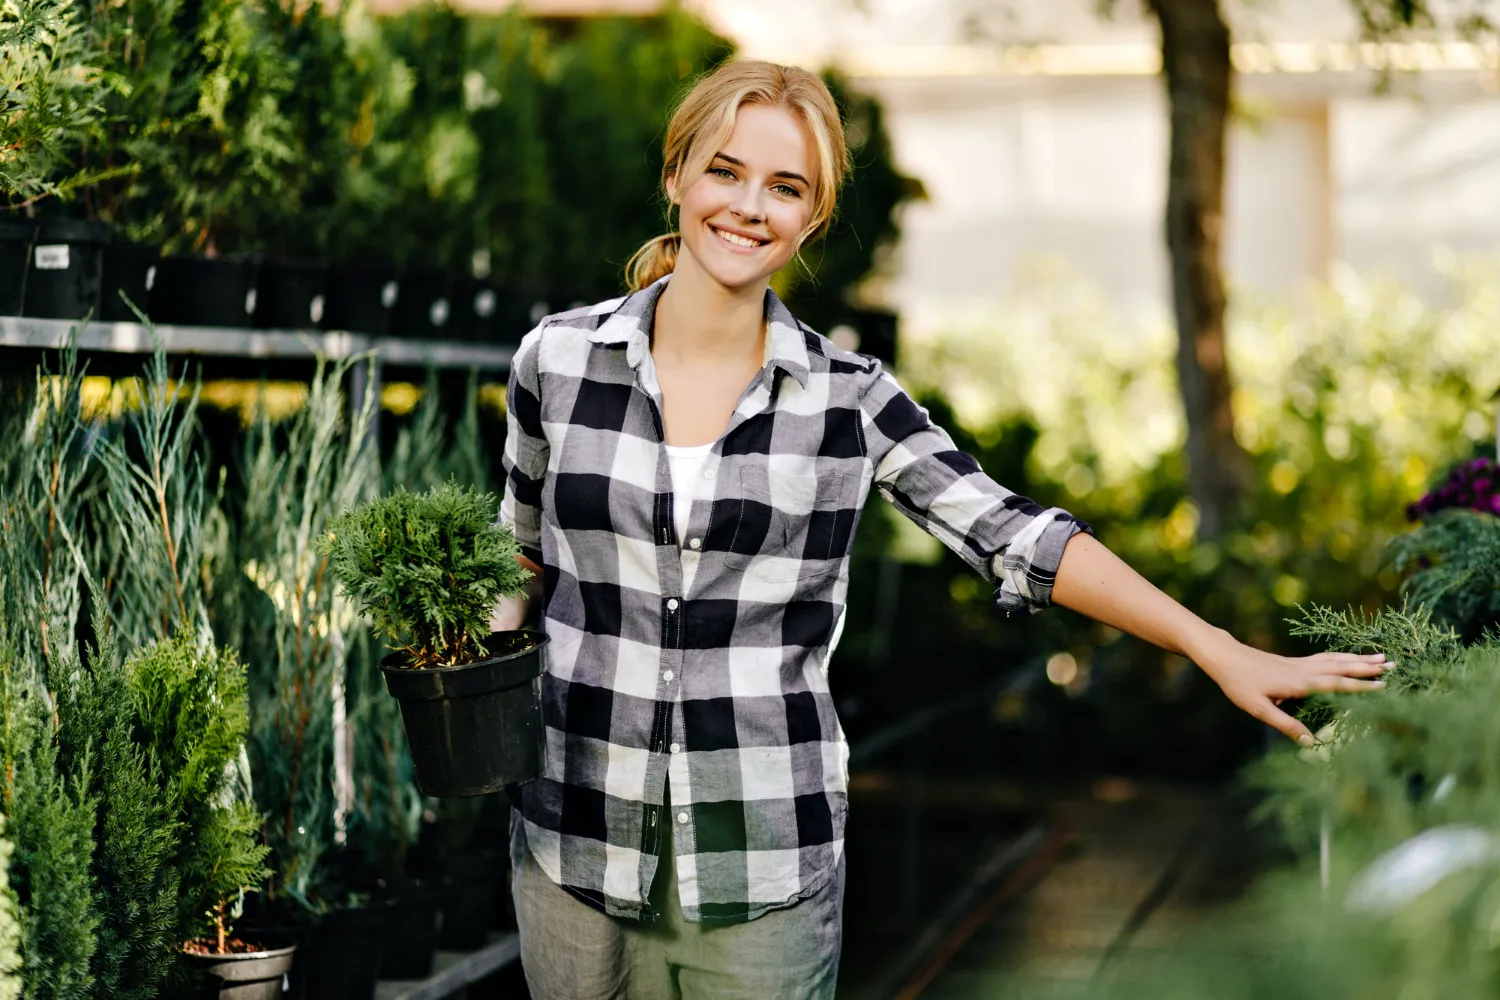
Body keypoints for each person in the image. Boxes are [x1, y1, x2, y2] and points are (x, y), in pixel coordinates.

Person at [492, 59, 1388, 1000]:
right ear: (676, 177)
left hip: (761, 866)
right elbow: (520, 554)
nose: (750, 206)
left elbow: (1016, 536)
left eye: (785, 187)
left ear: (812, 216)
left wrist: (1216, 649)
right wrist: (454, 660)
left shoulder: (849, 400)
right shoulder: (557, 362)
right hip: (572, 848)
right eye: (725, 171)